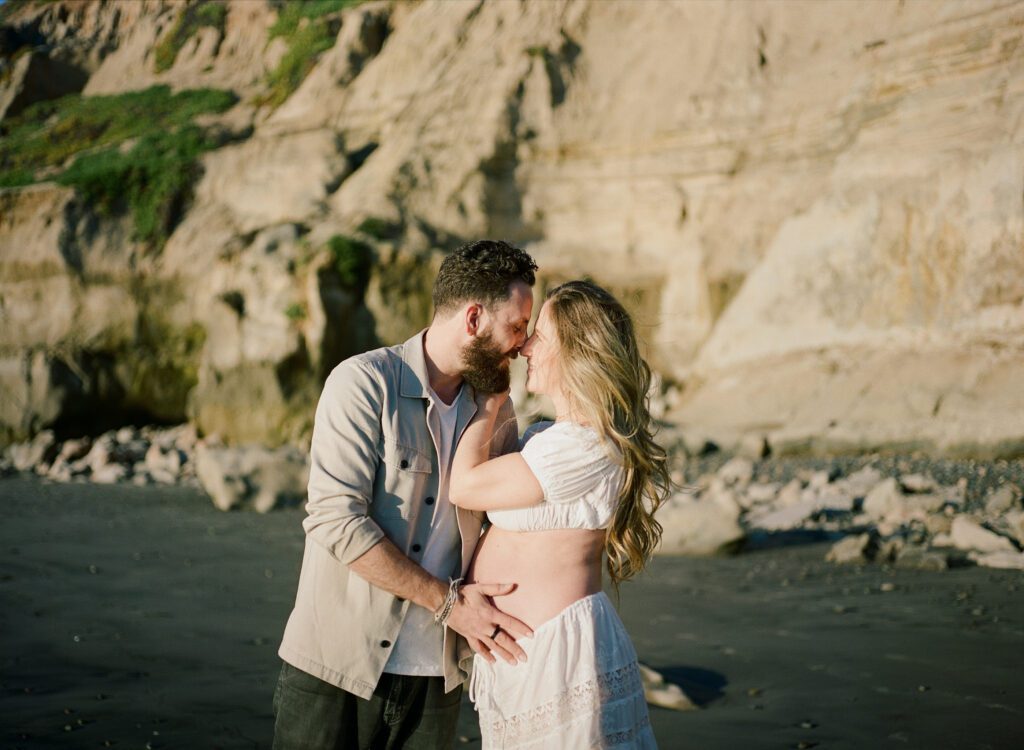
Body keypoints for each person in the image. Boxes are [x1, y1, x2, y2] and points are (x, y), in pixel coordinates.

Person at [273, 240, 540, 750]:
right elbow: (336, 522)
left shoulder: (494, 412)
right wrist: (450, 606)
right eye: (516, 326)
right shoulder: (362, 384)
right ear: (474, 317)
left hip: (436, 681)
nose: (522, 345)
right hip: (335, 667)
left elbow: (508, 525)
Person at [449, 280, 670, 748]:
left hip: (558, 655)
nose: (526, 345)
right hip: (532, 653)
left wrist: (491, 396)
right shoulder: (552, 437)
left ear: (576, 351)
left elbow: (465, 486)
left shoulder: (582, 447)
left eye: (540, 335)